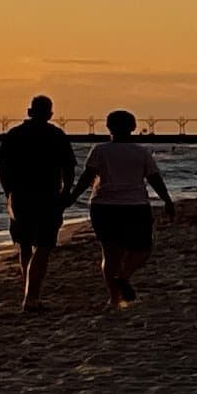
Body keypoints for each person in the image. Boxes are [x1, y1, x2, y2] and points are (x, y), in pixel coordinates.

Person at [75, 111, 174, 308]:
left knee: (110, 253)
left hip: (103, 207)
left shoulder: (99, 150)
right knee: (143, 249)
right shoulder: (141, 152)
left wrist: (70, 198)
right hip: (135, 206)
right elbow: (154, 178)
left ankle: (114, 299)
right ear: (133, 127)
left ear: (108, 127)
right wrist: (167, 201)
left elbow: (87, 177)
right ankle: (124, 276)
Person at [0, 92, 78, 313]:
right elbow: (69, 168)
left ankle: (29, 292)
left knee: (24, 244)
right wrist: (67, 192)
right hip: (48, 195)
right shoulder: (57, 135)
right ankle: (32, 296)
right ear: (50, 114)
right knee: (44, 245)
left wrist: (7, 193)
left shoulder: (14, 134)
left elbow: (2, 169)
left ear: (29, 112)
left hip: (21, 195)